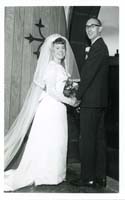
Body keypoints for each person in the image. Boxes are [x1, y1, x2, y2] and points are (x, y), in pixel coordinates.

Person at [4, 34, 80, 191]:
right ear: (51, 50)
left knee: (57, 140)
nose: (61, 51)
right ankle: (46, 174)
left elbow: (62, 89)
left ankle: (54, 174)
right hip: (51, 108)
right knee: (50, 139)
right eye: (57, 48)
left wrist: (70, 94)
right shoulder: (52, 67)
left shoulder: (61, 67)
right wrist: (70, 101)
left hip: (58, 108)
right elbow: (52, 91)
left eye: (63, 48)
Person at [71, 17, 109, 187]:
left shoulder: (97, 47)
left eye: (93, 26)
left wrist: (78, 96)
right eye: (87, 26)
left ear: (100, 29)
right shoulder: (100, 47)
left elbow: (87, 76)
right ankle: (100, 177)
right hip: (98, 102)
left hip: (91, 102)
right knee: (98, 140)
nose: (89, 29)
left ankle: (87, 177)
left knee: (87, 139)